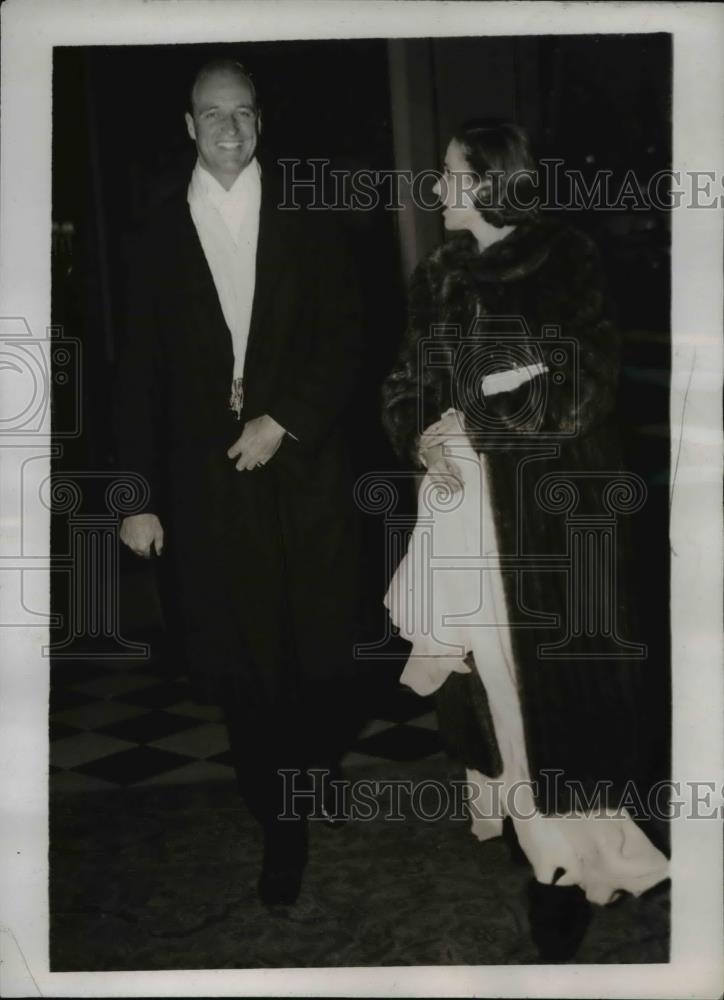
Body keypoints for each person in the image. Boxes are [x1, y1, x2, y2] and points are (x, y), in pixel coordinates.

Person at [381, 120, 669, 958]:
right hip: (464, 505)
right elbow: (407, 381)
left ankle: (575, 862)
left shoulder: (562, 257)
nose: (438, 189)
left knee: (554, 688)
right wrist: (420, 438)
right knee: (488, 683)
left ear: (491, 180)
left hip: (548, 515)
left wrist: (471, 420)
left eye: (451, 174)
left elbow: (583, 388)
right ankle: (538, 841)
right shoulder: (437, 275)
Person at [115, 59, 363, 906]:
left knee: (327, 660)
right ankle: (279, 824)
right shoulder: (151, 234)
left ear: (262, 122)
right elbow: (136, 374)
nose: (230, 129)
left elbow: (350, 335)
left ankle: (314, 767)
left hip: (304, 471)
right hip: (206, 486)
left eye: (244, 114)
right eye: (212, 115)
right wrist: (138, 495)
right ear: (189, 126)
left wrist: (283, 418)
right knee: (248, 666)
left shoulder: (313, 215)